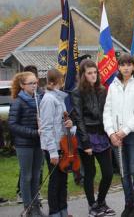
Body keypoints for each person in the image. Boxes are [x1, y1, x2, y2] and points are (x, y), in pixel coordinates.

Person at [103, 53, 134, 217]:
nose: (126, 67)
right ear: (119, 67)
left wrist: (125, 130)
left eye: (129, 64)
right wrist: (111, 133)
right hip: (116, 137)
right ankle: (128, 203)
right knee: (124, 172)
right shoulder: (113, 86)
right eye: (123, 65)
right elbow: (107, 111)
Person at [71, 59, 115, 217]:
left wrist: (111, 133)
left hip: (102, 135)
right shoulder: (77, 92)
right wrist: (85, 142)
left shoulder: (102, 90)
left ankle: (101, 201)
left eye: (95, 72)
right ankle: (92, 206)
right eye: (89, 73)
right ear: (83, 75)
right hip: (87, 136)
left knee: (108, 173)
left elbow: (107, 113)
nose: (93, 75)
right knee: (90, 173)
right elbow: (78, 118)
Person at [8, 71, 45, 216]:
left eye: (36, 82)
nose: (35, 86)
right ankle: (28, 208)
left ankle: (36, 206)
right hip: (24, 145)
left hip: (38, 143)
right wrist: (33, 132)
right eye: (31, 83)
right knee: (27, 176)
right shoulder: (18, 102)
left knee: (36, 176)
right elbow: (13, 125)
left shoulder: (39, 99)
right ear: (23, 85)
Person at [40, 69, 74, 217]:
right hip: (53, 147)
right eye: (61, 81)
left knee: (63, 180)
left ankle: (63, 211)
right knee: (55, 182)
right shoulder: (48, 99)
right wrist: (53, 152)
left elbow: (61, 123)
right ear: (53, 82)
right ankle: (54, 212)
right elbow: (47, 127)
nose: (63, 84)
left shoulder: (58, 98)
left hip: (62, 145)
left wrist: (69, 124)